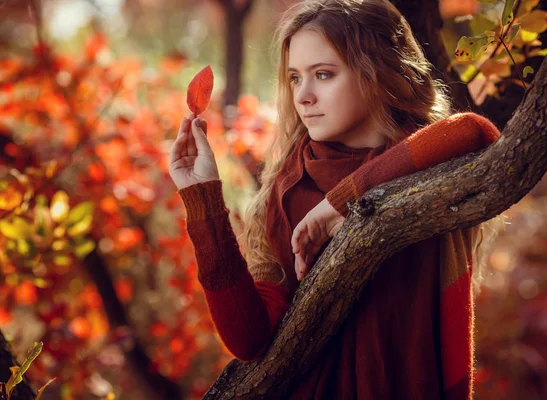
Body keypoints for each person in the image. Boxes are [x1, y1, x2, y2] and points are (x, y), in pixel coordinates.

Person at [169, 0, 502, 398]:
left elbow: (473, 131)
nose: (303, 96)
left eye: (323, 75)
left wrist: (341, 202)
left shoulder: (429, 162)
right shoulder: (288, 187)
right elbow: (249, 340)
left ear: (376, 72)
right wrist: (201, 199)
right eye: (295, 78)